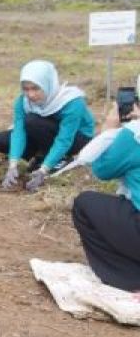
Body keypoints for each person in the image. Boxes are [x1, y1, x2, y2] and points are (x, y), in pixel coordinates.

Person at [0, 60, 94, 193]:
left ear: (48, 84)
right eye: (26, 89)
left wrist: (43, 170)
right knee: (0, 140)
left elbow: (64, 139)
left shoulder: (72, 102)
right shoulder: (23, 101)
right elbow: (19, 132)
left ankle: (58, 159)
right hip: (42, 132)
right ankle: (41, 156)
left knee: (32, 121)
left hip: (76, 138)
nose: (30, 95)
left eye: (35, 88)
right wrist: (13, 165)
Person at [71, 102, 140, 291]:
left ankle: (130, 278)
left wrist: (108, 131)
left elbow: (102, 170)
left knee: (84, 204)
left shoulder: (134, 134)